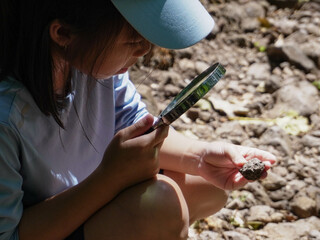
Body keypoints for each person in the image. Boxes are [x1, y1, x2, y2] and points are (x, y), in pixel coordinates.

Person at [0, 0, 277, 239]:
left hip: (87, 198)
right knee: (161, 206)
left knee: (207, 184)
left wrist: (201, 157)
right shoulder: (6, 118)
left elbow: (132, 122)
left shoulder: (91, 62)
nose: (145, 49)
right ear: (63, 32)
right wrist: (110, 178)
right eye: (133, 39)